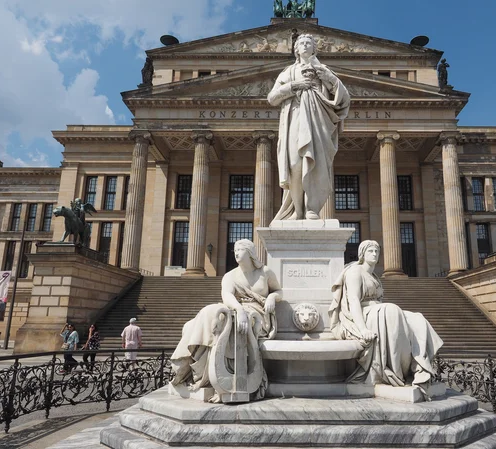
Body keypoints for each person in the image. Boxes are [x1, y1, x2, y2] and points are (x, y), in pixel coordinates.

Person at [170, 239, 282, 400]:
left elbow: (279, 290)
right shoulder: (230, 276)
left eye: (240, 250)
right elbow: (227, 295)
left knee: (224, 321)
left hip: (258, 315)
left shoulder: (265, 272)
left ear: (250, 252)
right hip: (237, 309)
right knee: (205, 317)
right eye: (235, 250)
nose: (236, 253)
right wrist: (239, 309)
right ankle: (199, 371)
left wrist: (272, 296)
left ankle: (224, 378)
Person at [329, 241, 443, 396]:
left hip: (378, 312)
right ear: (362, 253)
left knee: (417, 318)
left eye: (377, 251)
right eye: (371, 251)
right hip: (362, 314)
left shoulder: (374, 276)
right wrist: (362, 329)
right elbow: (353, 301)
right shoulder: (355, 271)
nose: (375, 254)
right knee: (391, 310)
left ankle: (418, 367)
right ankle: (397, 371)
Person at [268, 33, 350, 220]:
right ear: (296, 49)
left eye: (308, 43)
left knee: (317, 165)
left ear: (314, 48)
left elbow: (344, 98)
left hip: (318, 122)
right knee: (295, 164)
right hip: (295, 119)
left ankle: (312, 207)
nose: (305, 46)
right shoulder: (288, 72)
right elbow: (272, 98)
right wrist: (293, 86)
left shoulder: (324, 70)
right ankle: (297, 210)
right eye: (301, 43)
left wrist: (329, 78)